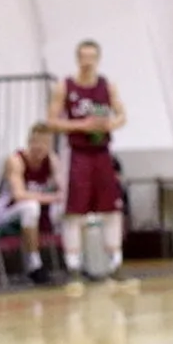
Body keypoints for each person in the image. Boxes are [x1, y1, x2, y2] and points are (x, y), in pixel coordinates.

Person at [48, 39, 128, 283]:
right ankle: (73, 266)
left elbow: (122, 114)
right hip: (77, 152)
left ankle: (115, 262)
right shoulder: (65, 86)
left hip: (102, 152)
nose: (87, 61)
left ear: (98, 59)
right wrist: (80, 125)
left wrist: (111, 124)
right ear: (77, 59)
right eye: (83, 56)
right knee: (74, 211)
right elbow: (51, 121)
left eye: (92, 57)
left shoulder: (107, 86)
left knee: (111, 209)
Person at [0, 122, 63, 286]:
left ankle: (75, 261)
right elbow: (19, 195)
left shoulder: (51, 160)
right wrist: (53, 198)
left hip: (34, 211)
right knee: (30, 207)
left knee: (65, 208)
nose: (41, 147)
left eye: (46, 144)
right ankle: (34, 265)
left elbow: (63, 189)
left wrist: (60, 196)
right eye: (37, 143)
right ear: (30, 142)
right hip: (5, 212)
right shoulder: (16, 160)